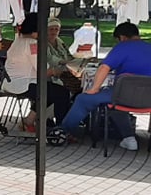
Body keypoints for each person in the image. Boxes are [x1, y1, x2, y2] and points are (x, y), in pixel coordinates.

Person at [51, 22, 151, 150]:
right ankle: (128, 139)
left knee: (83, 99)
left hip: (123, 96)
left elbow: (104, 67)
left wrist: (94, 88)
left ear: (122, 37)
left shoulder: (122, 47)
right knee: (116, 105)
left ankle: (63, 131)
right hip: (148, 98)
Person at [3, 13, 71, 132]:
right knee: (61, 93)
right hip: (23, 84)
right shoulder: (32, 44)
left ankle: (29, 121)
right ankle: (61, 128)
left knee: (51, 90)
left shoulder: (18, 40)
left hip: (12, 82)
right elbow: (44, 71)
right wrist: (61, 70)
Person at [46, 17, 80, 93]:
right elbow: (49, 59)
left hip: (64, 70)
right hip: (51, 74)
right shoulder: (42, 42)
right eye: (51, 29)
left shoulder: (59, 41)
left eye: (56, 29)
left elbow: (68, 54)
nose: (54, 32)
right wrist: (64, 62)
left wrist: (77, 60)